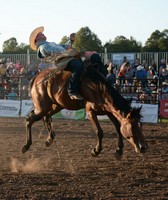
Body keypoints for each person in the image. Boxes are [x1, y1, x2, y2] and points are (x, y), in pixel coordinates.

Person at [29, 26, 84, 100]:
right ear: (36, 38)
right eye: (40, 33)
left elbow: (65, 46)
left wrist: (70, 40)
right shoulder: (42, 46)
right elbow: (56, 52)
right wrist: (68, 52)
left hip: (67, 58)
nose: (42, 33)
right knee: (77, 65)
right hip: (62, 62)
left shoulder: (49, 44)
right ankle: (72, 91)